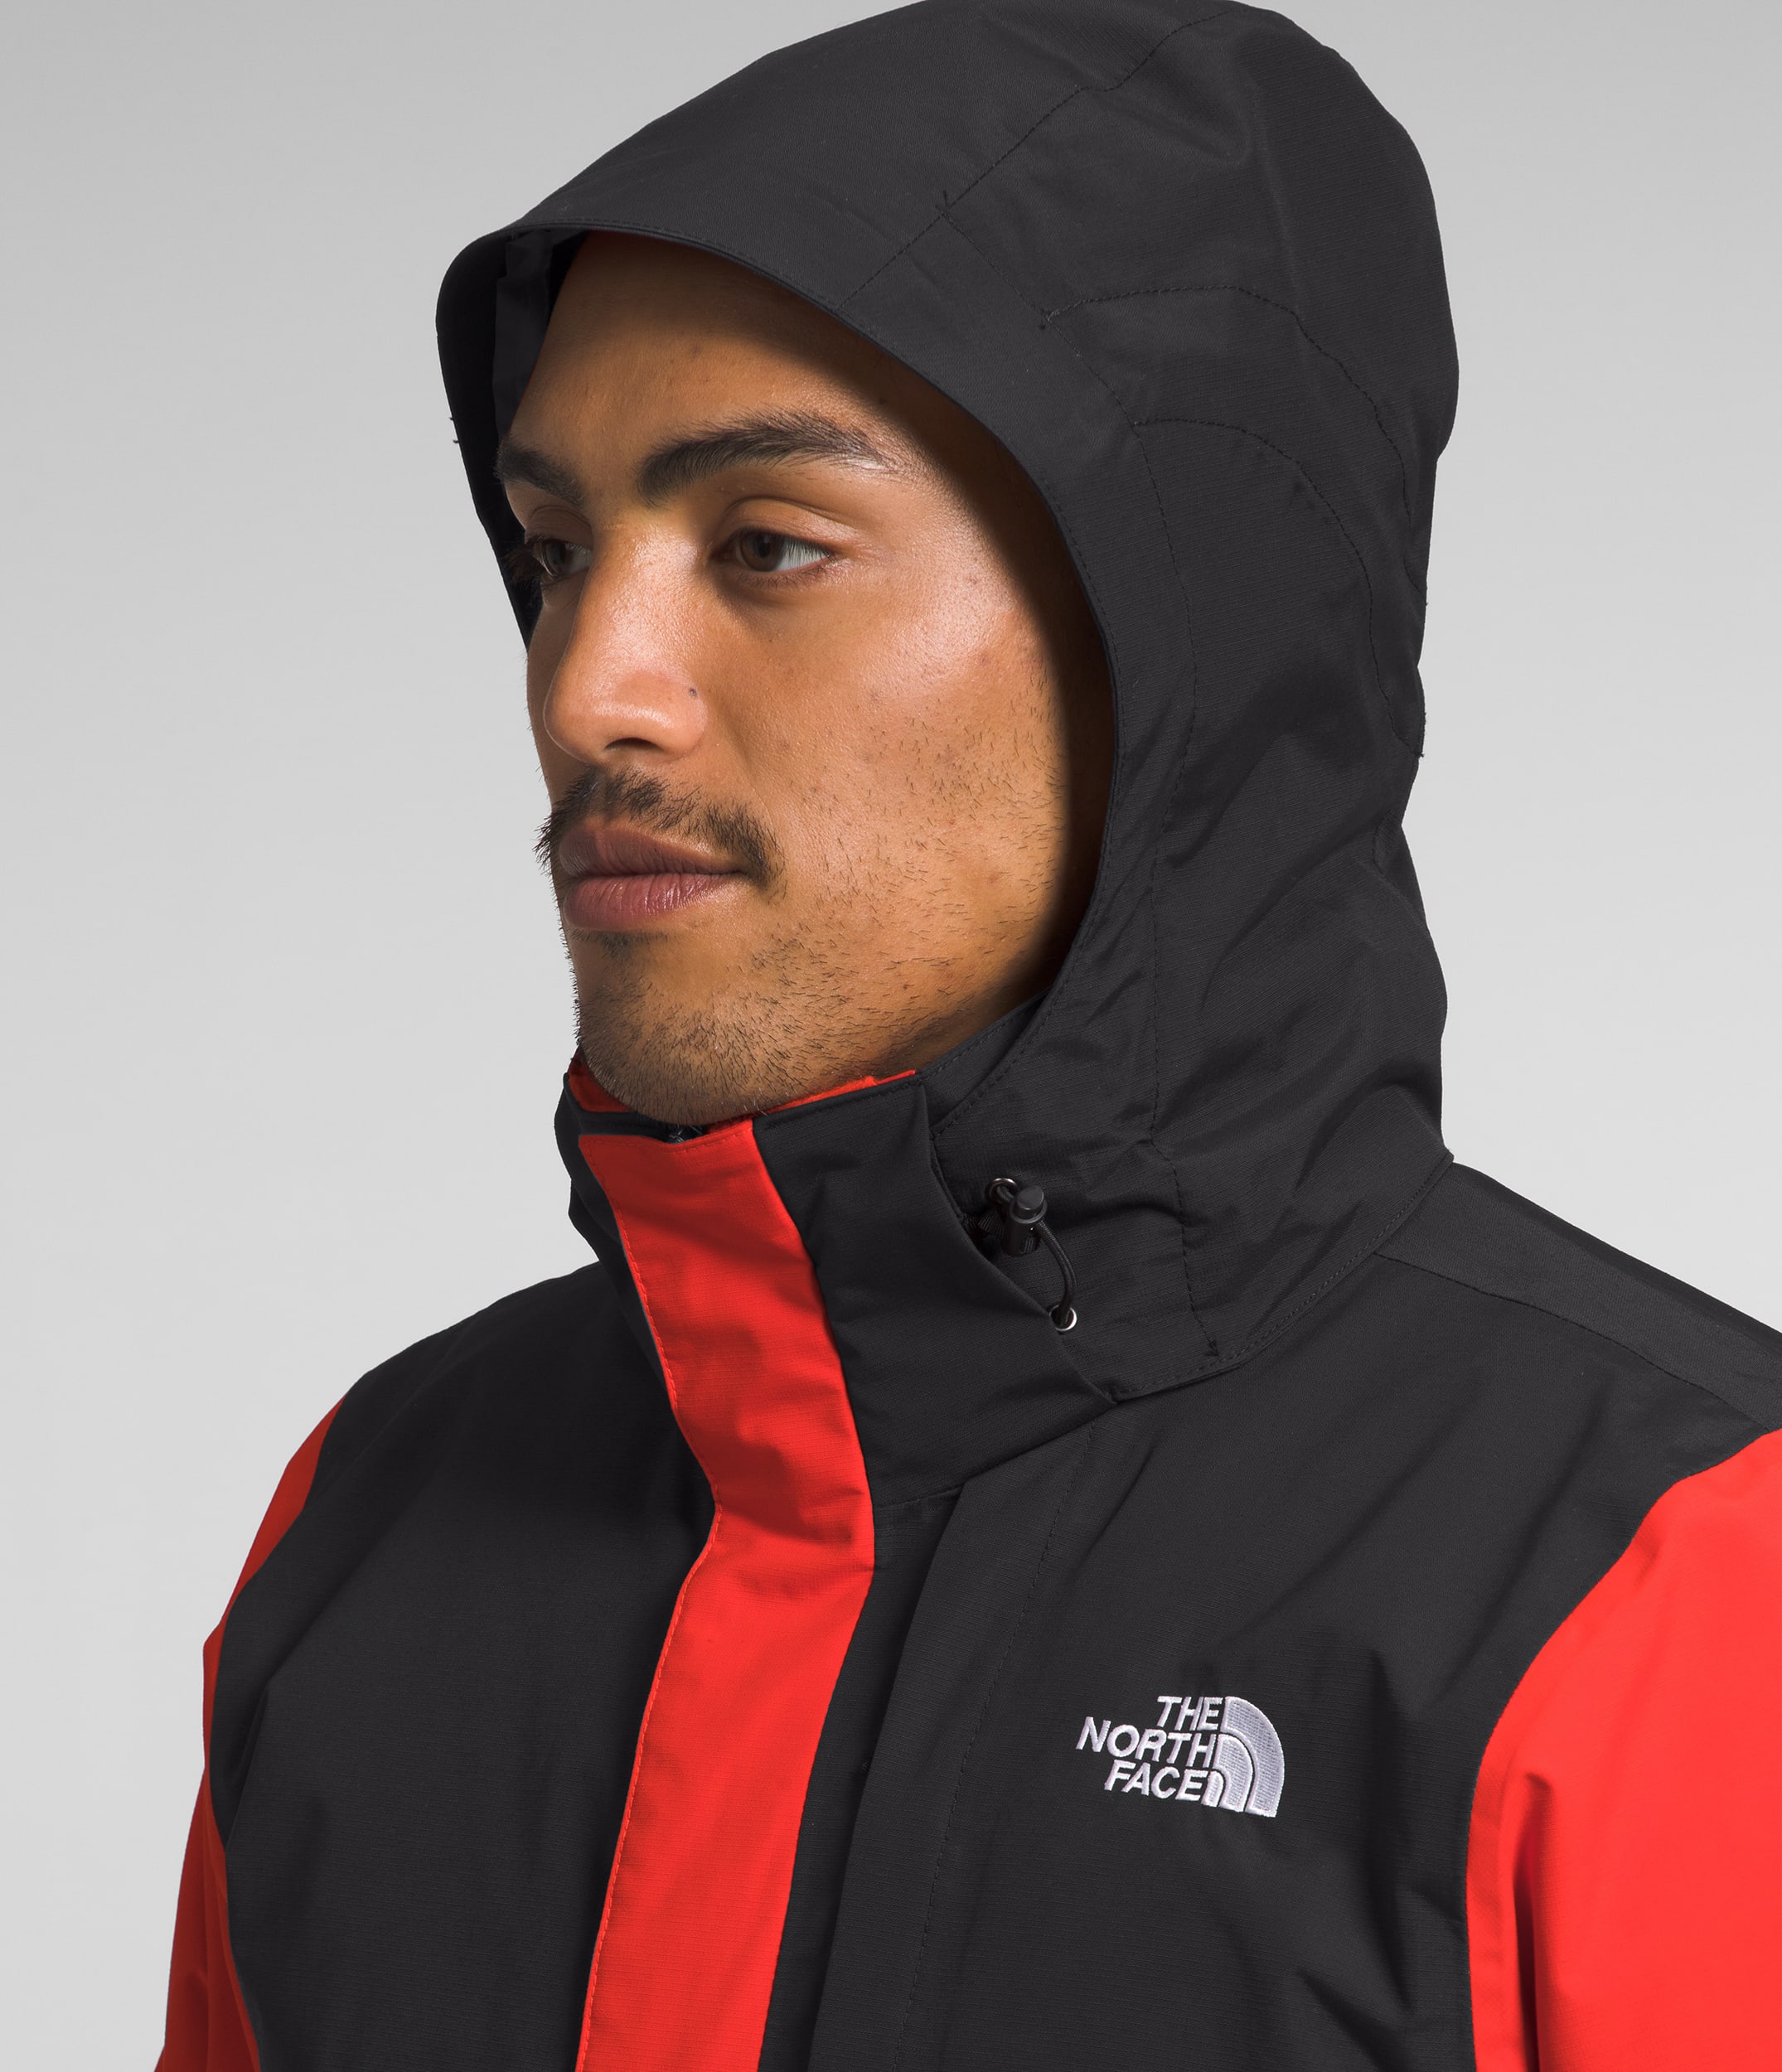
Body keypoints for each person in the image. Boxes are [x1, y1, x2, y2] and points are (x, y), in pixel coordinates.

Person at [155, 2, 1781, 2068]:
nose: (586, 688)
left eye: (767, 544)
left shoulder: (1682, 1577)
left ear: (1175, 628)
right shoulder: (375, 1520)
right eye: (556, 552)